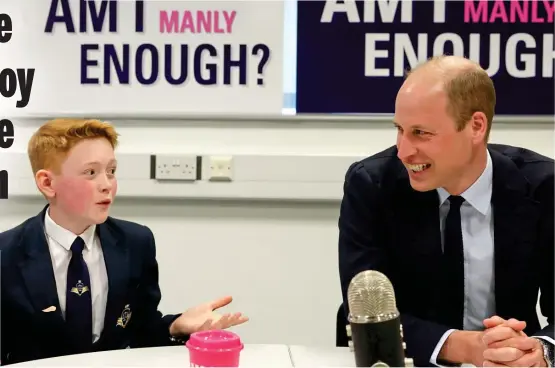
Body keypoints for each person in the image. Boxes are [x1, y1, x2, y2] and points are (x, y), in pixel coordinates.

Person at [338, 55, 554, 367]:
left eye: (420, 133)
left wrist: (541, 351)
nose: (403, 150)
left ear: (476, 126)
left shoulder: (544, 188)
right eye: (399, 129)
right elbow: (364, 313)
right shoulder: (372, 184)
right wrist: (468, 347)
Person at [0, 119, 248, 365]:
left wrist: (176, 325)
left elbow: (141, 332)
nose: (107, 185)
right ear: (47, 183)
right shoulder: (6, 254)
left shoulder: (135, 243)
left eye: (111, 171)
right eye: (91, 173)